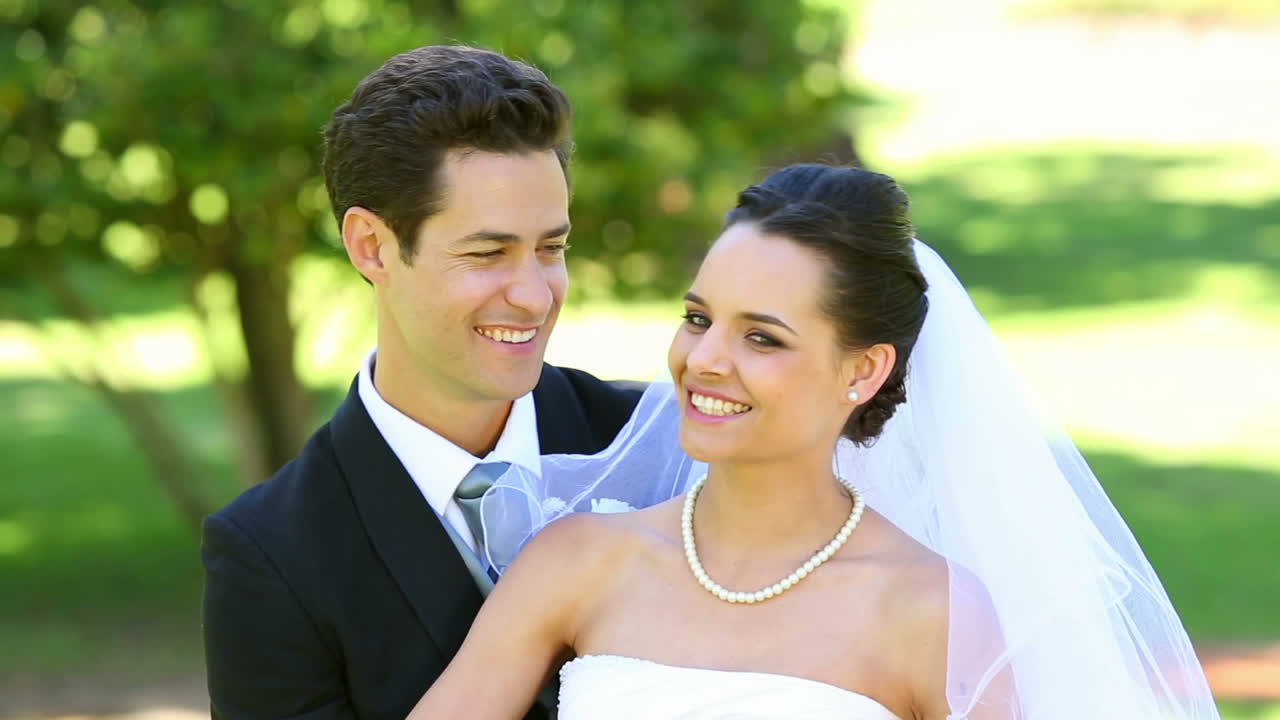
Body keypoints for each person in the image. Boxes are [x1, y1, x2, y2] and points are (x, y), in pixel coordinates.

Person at [405, 164, 1222, 719]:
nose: (705, 361)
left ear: (863, 371)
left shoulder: (933, 615)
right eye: (699, 318)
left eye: (762, 338)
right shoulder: (579, 561)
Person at [200, 46, 642, 720]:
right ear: (372, 247)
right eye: (487, 253)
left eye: (550, 249)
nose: (532, 295)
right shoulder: (272, 557)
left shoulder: (658, 446)